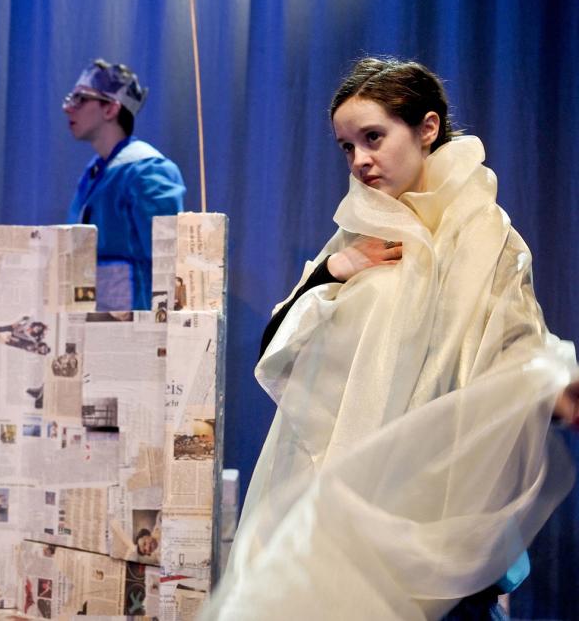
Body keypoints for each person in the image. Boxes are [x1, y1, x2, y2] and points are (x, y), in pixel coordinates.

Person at [202, 58, 579, 621]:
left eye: (373, 137)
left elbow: (514, 338)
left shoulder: (483, 233)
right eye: (347, 147)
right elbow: (278, 353)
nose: (360, 160)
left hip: (431, 503)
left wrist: (551, 383)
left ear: (427, 129)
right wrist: (332, 271)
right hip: (343, 501)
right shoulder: (358, 232)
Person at [64, 59, 185, 310]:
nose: (68, 108)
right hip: (92, 317)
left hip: (134, 326)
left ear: (110, 109)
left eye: (81, 98)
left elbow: (167, 261)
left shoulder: (149, 171)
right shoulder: (95, 173)